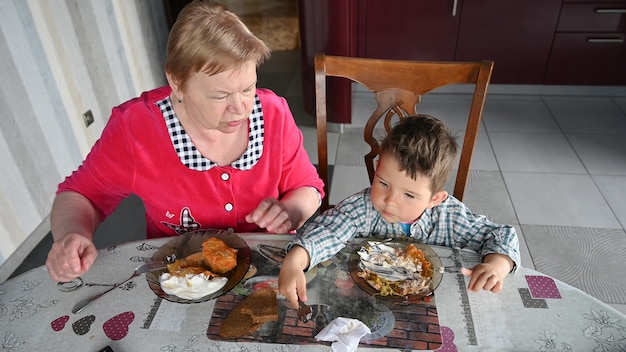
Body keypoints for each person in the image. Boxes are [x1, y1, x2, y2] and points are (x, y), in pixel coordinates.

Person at [46, 1, 324, 282]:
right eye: (220, 96)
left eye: (248, 88)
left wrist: (290, 211)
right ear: (177, 81)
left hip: (268, 270)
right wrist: (72, 235)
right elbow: (81, 195)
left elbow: (308, 187)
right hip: (183, 279)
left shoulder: (274, 112)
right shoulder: (136, 128)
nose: (241, 108)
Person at [278, 114, 520, 308]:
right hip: (367, 303)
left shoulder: (450, 216)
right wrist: (296, 260)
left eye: (409, 195)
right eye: (383, 183)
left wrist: (497, 265)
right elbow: (329, 231)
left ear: (434, 199)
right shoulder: (363, 207)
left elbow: (499, 235)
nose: (390, 201)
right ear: (377, 167)